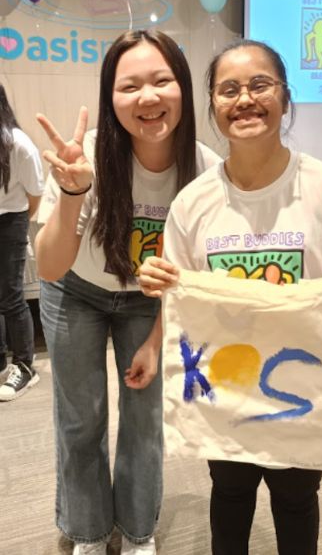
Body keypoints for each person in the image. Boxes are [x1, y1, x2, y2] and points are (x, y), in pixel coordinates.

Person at [136, 39, 322, 555]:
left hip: (299, 385)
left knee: (296, 499)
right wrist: (158, 278)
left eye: (259, 85)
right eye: (228, 90)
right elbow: (179, 291)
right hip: (225, 385)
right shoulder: (192, 203)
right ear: (213, 106)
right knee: (229, 491)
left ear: (285, 98)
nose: (244, 99)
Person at [35, 29, 221, 555]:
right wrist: (73, 190)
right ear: (110, 97)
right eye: (129, 86)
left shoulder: (205, 170)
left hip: (151, 301)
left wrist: (157, 341)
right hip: (76, 291)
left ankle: (138, 531)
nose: (148, 97)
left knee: (144, 420)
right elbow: (49, 266)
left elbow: (191, 274)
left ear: (183, 87)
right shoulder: (87, 157)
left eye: (161, 81)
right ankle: (89, 532)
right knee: (81, 418)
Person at [0, 84, 44, 402]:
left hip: (11, 220)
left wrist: (17, 225)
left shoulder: (18, 144)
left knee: (12, 297)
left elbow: (35, 195)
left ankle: (26, 366)